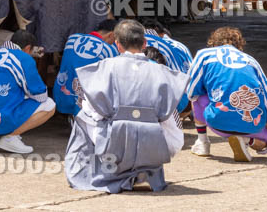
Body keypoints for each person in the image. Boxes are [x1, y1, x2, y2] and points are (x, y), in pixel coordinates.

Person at [65, 19, 187, 193]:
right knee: (166, 118)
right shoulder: (163, 72)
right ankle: (144, 171)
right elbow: (170, 116)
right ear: (145, 43)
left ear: (117, 45)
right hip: (156, 148)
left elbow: (93, 112)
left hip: (114, 150)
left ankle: (99, 172)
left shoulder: (104, 68)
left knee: (82, 117)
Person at [186, 26, 267, 161]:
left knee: (197, 96)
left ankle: (203, 143)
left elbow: (190, 88)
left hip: (218, 122)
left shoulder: (204, 55)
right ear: (239, 44)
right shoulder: (251, 61)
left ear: (214, 41)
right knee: (262, 140)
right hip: (251, 126)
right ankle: (248, 140)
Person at [0, 28, 55, 154]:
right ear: (27, 48)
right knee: (49, 105)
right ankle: (10, 137)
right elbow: (39, 94)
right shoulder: (23, 57)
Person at [54, 19, 119, 116]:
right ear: (111, 35)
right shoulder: (110, 50)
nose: (115, 42)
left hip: (62, 93)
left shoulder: (72, 39)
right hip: (89, 102)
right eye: (116, 39)